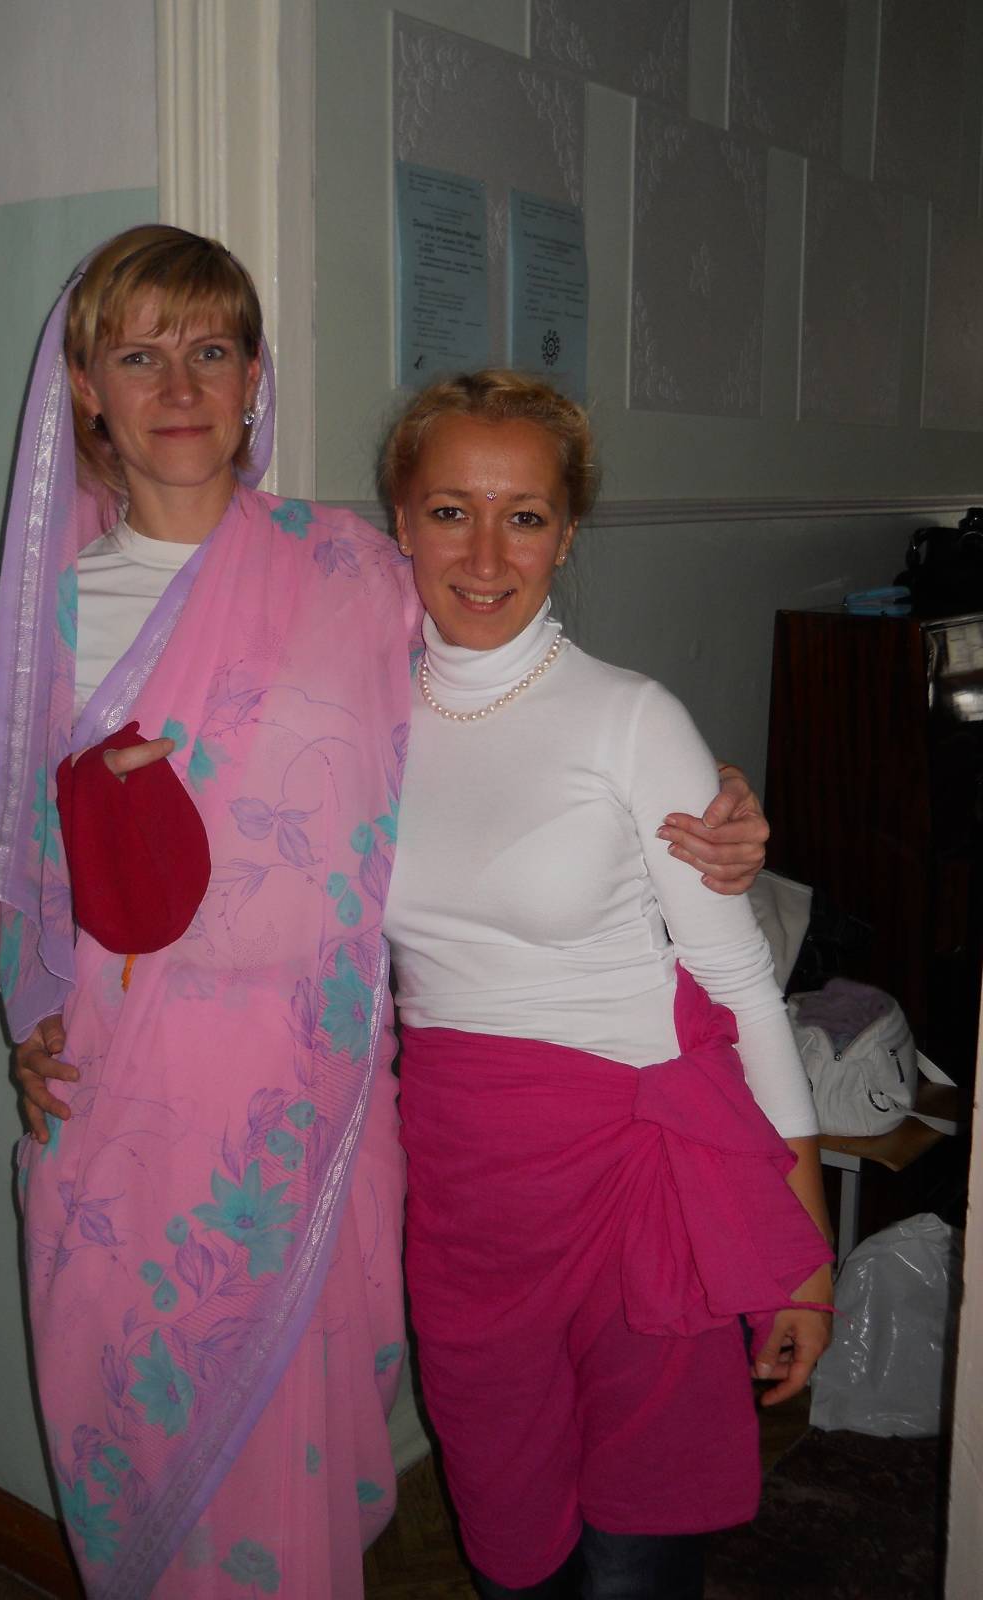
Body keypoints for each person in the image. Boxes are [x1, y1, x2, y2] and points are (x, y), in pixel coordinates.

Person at [0, 226, 774, 1600]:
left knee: (289, 1474)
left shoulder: (351, 568)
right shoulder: (57, 608)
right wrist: (34, 1009)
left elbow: (515, 684)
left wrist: (701, 802)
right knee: (148, 1446)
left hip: (315, 1097)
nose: (180, 385)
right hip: (125, 1111)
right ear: (87, 389)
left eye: (210, 349)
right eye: (140, 356)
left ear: (254, 378)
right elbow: (19, 851)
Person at [378, 371, 834, 1600]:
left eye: (524, 516)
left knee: (634, 1559)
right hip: (465, 1202)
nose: (485, 554)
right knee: (508, 1541)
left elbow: (741, 984)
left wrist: (801, 1253)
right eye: (450, 510)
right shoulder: (359, 715)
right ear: (400, 520)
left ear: (567, 533)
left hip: (633, 1189)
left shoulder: (631, 719)